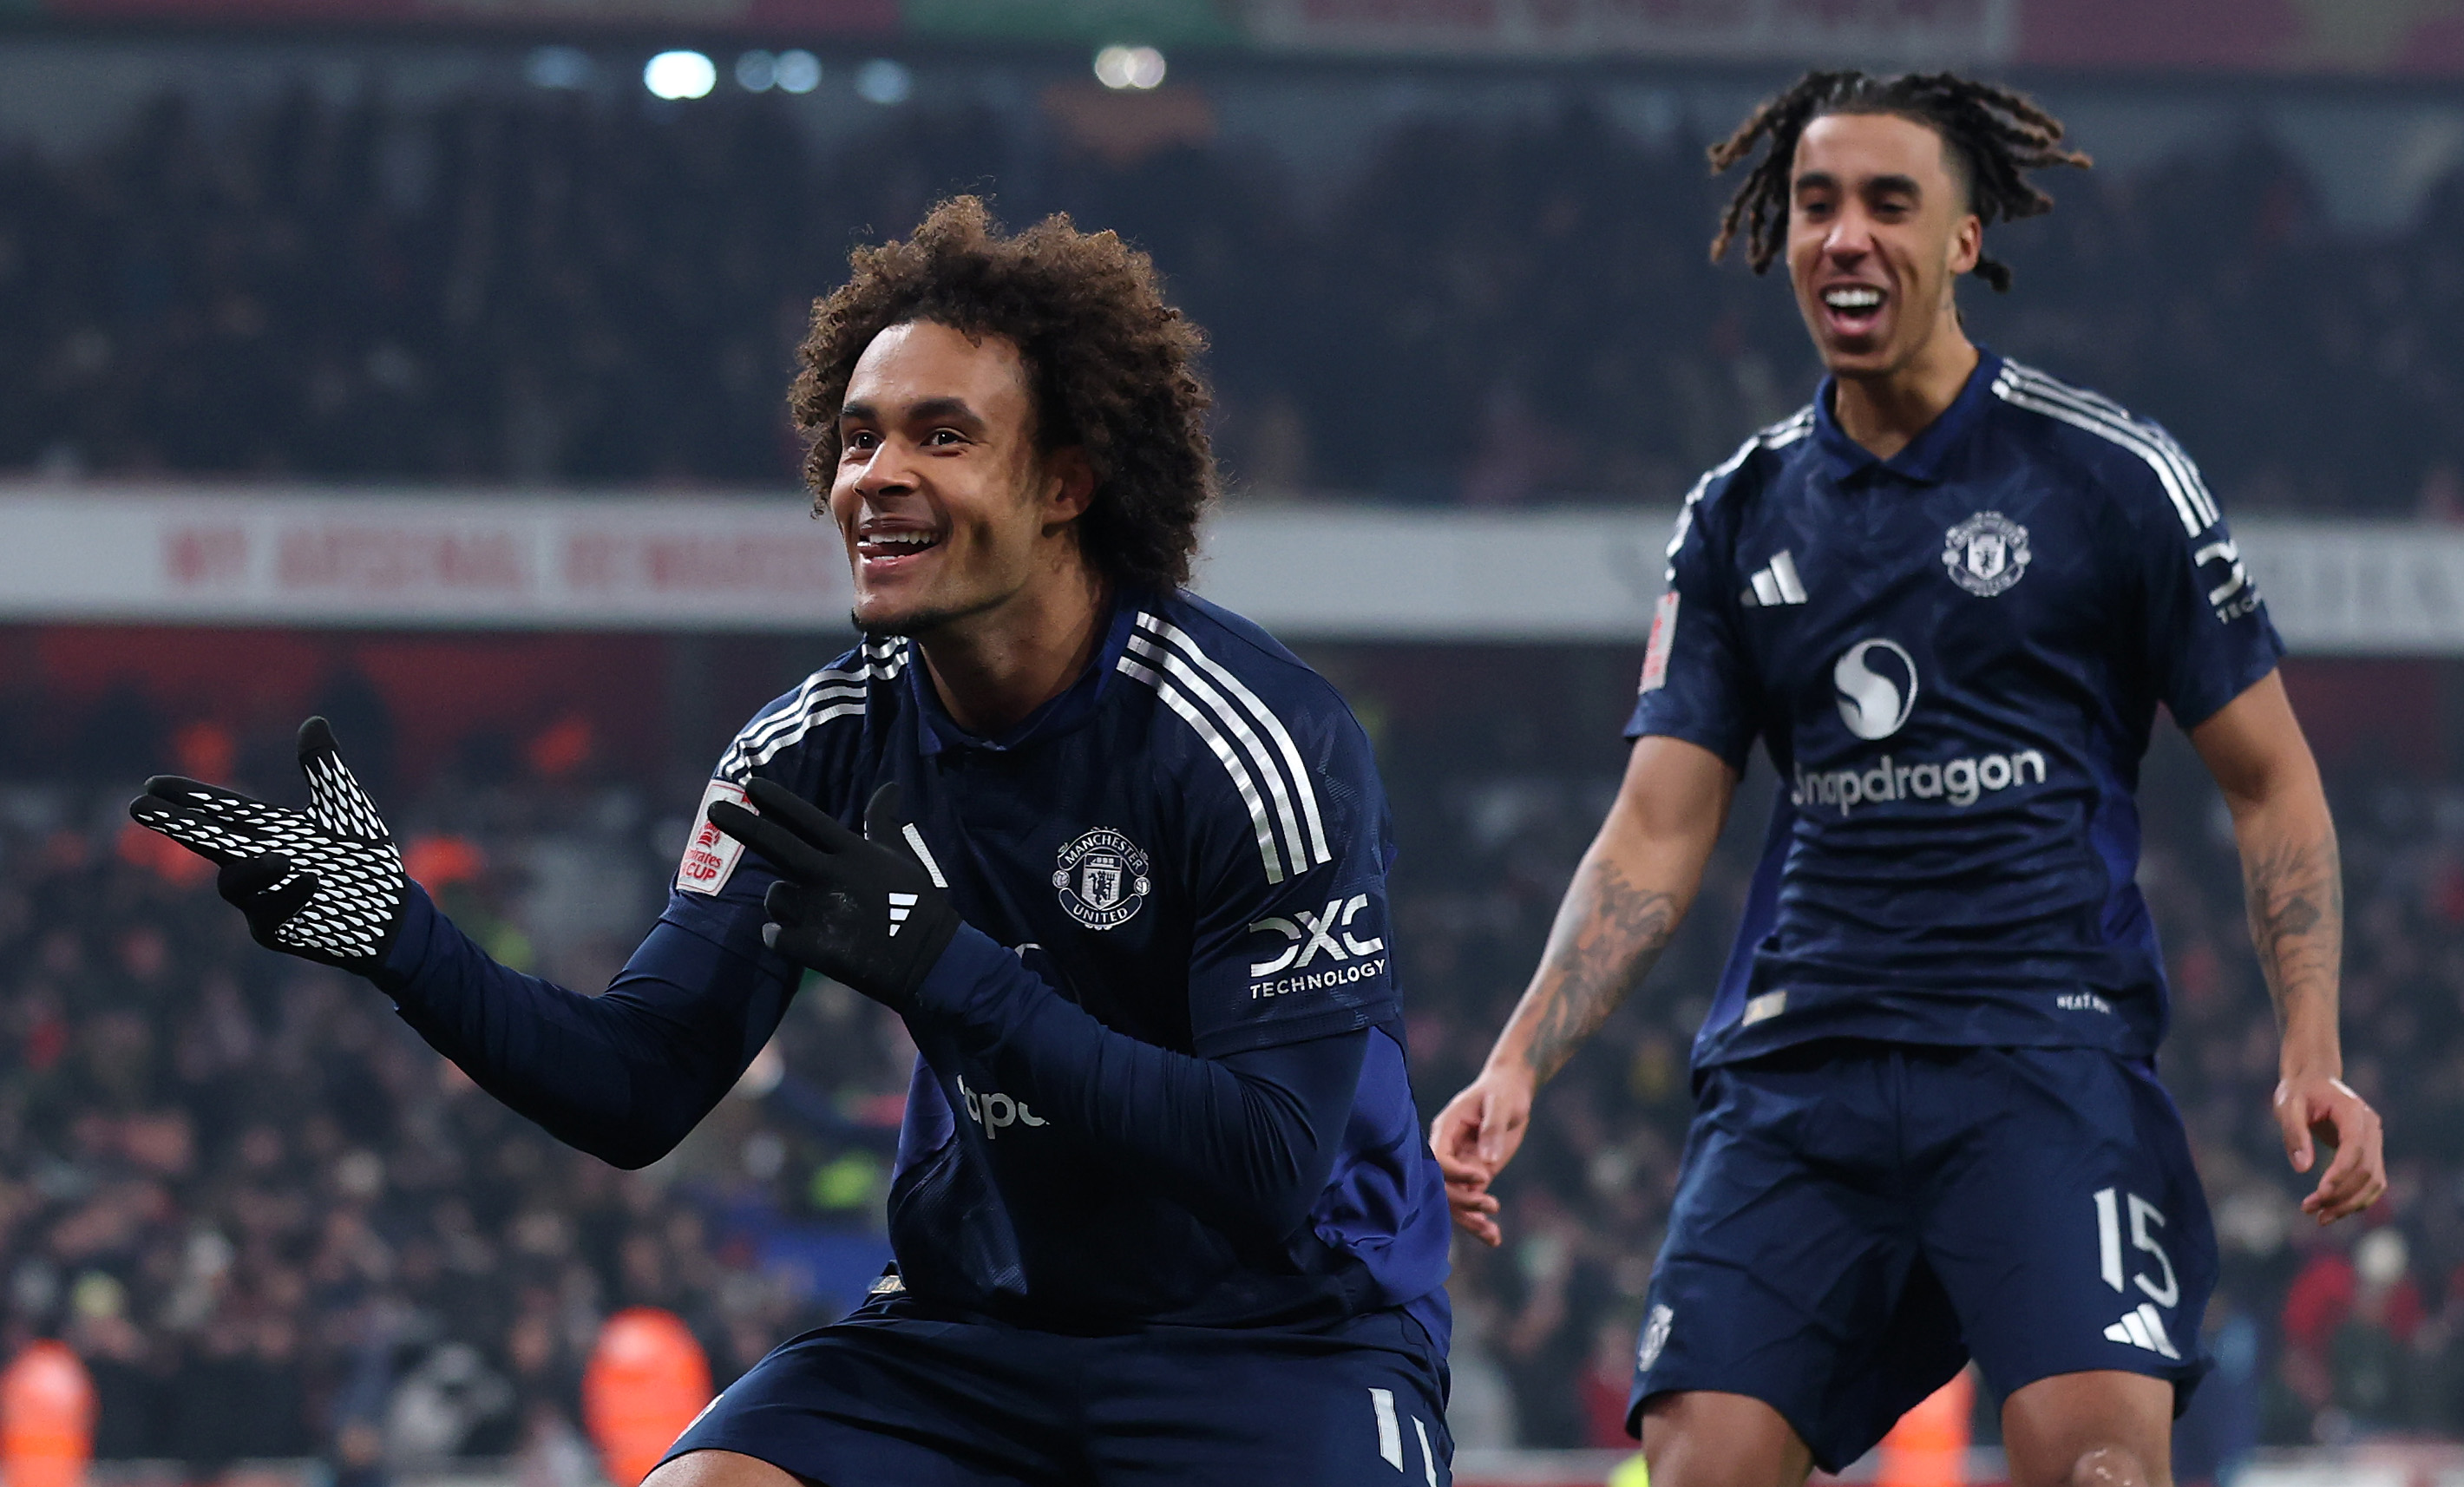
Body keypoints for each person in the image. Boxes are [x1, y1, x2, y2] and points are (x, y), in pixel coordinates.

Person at [131, 198, 1453, 1487]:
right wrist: (405, 941)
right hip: (980, 1332)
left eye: (943, 436)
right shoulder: (806, 751)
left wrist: (949, 966)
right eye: (858, 439)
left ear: (1066, 481)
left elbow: (1271, 1164)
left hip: (1281, 1336)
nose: (877, 476)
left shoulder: (1253, 742)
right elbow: (642, 1084)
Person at [1431, 70, 2386, 1487]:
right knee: (1697, 1466)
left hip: (2040, 1055)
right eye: (1815, 203)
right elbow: (1656, 826)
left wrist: (2314, 1045)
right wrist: (1519, 1055)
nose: (1844, 235)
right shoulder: (1739, 509)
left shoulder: (2109, 476)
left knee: (2103, 1473)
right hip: (1802, 1069)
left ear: (1962, 237)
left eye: (1890, 202)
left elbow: (2272, 780)